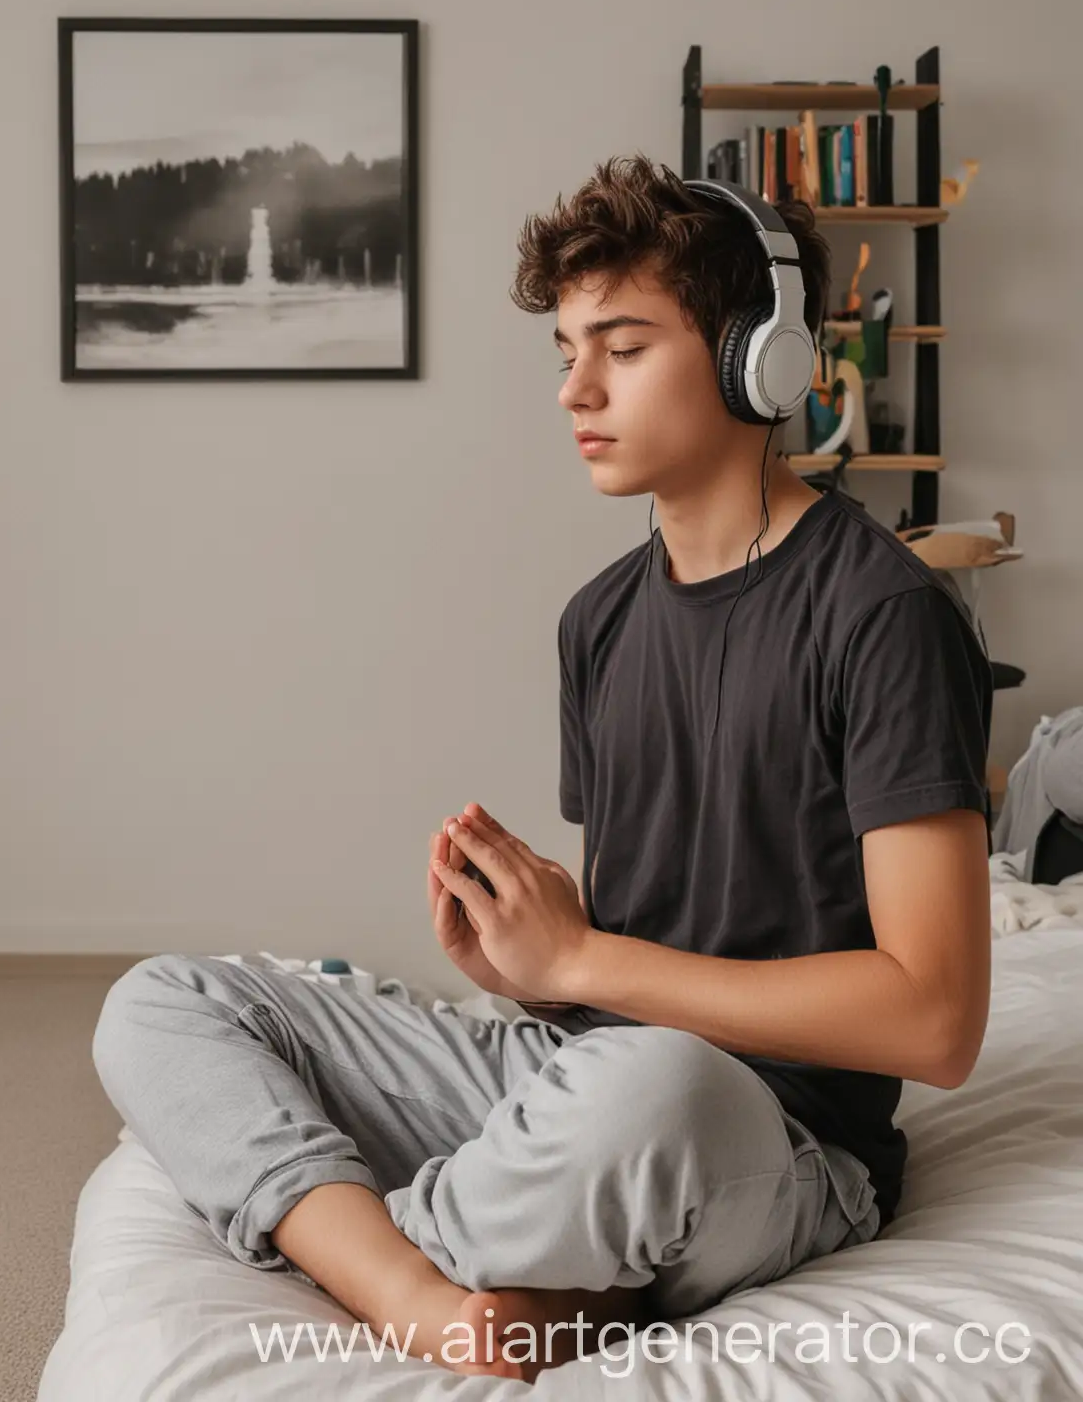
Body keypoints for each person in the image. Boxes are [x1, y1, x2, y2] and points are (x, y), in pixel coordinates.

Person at [91, 155, 994, 1382]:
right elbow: (635, 961)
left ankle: (369, 1245)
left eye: (621, 346)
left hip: (766, 1135)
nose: (576, 388)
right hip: (589, 1064)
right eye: (565, 350)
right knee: (163, 1003)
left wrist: (587, 963)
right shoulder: (599, 619)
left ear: (756, 356)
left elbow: (935, 1020)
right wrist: (537, 973)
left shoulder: (885, 612)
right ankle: (442, 1295)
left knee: (657, 1090)